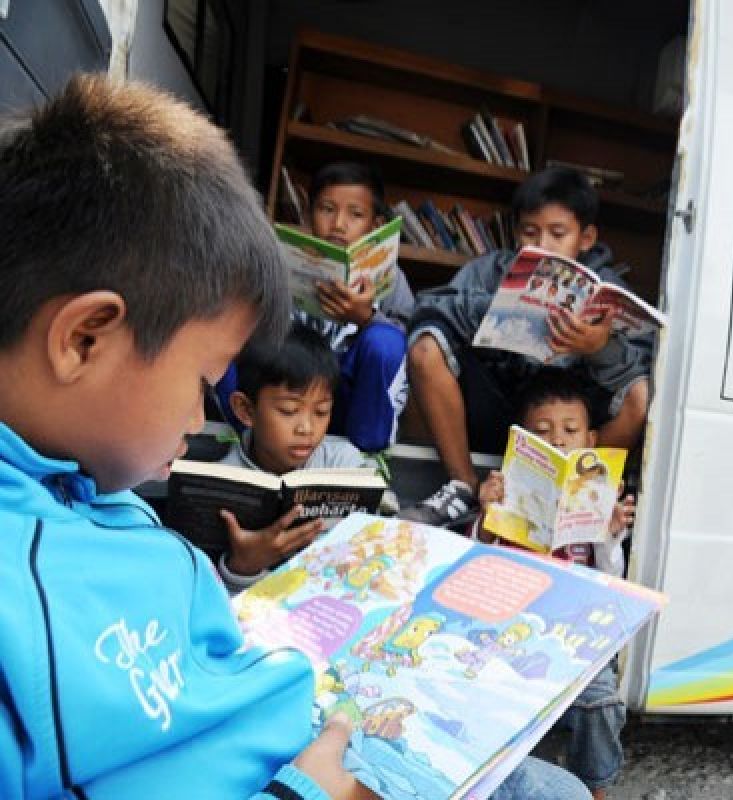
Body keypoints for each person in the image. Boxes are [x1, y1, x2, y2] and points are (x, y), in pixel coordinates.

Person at [0, 75, 588, 800]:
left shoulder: (86, 491)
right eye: (201, 381)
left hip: (322, 722)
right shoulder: (18, 597)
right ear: (85, 338)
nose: (196, 420)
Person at [403, 167, 653, 526]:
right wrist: (502, 308)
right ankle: (464, 487)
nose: (542, 247)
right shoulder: (489, 271)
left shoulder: (608, 289)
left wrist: (600, 347)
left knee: (640, 398)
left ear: (586, 237)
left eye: (558, 234)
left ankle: (575, 498)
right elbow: (429, 312)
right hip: (493, 410)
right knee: (425, 348)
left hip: (566, 427)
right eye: (529, 233)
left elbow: (642, 368)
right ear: (515, 232)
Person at [475, 370, 637, 800]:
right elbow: (476, 565)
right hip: (514, 629)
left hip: (576, 634)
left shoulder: (595, 502)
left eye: (571, 431)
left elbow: (610, 580)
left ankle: (594, 787)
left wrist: (609, 532)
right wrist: (488, 517)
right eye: (543, 433)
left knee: (602, 702)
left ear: (591, 441)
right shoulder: (506, 490)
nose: (560, 441)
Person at [217, 162, 413, 453]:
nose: (338, 224)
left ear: (376, 226)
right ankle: (250, 447)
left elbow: (399, 355)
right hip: (282, 388)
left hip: (347, 398)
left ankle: (366, 458)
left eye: (355, 214)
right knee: (227, 333)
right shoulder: (280, 263)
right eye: (327, 209)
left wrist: (366, 319)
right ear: (308, 215)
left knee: (385, 340)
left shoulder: (391, 278)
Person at [215, 322, 374, 592]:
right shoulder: (222, 481)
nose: (307, 429)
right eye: (289, 411)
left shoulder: (343, 464)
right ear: (245, 410)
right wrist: (243, 567)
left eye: (321, 412)